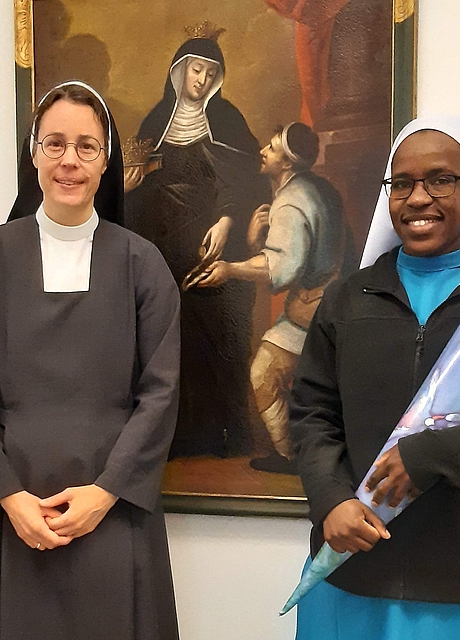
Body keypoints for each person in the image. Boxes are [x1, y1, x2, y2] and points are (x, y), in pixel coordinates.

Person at [288, 115, 460, 639]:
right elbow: (311, 413)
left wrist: (430, 457)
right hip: (353, 567)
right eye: (402, 184)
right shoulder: (348, 300)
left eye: (441, 180)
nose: (418, 198)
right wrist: (330, 499)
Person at [0, 82, 181, 640]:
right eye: (54, 144)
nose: (69, 160)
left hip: (114, 505)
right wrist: (10, 497)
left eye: (86, 146)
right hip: (11, 509)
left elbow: (162, 391)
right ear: (34, 155)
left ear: (106, 161)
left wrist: (105, 493)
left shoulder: (143, 264)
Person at [124, 33, 271, 458]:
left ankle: (231, 430)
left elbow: (246, 181)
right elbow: (138, 189)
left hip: (215, 246)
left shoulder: (227, 120)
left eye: (210, 73)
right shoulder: (157, 122)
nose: (202, 80)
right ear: (180, 71)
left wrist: (226, 220)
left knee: (221, 336)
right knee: (172, 338)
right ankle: (185, 434)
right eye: (196, 70)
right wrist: (129, 186)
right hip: (164, 248)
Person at [196, 122, 347, 474]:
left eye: (273, 148)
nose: (263, 151)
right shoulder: (319, 188)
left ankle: (291, 457)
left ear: (288, 163)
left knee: (264, 373)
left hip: (314, 311)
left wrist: (229, 269)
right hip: (333, 304)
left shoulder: (291, 202)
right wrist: (256, 242)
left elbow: (281, 268)